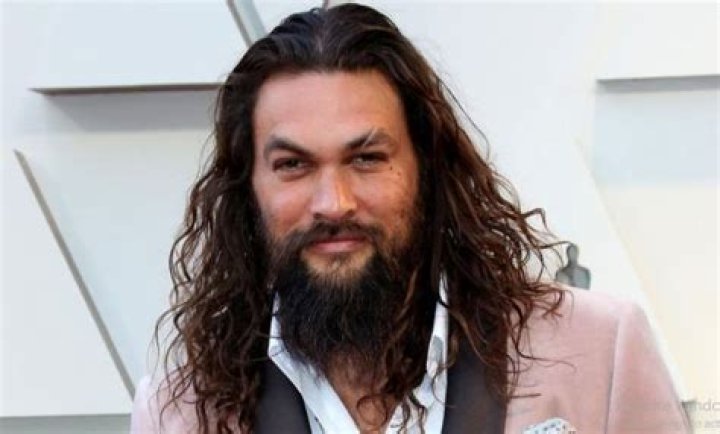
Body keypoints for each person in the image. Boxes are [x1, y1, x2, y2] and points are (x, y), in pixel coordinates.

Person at [131, 4, 689, 433]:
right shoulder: (177, 413)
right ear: (247, 188)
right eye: (293, 165)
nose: (333, 202)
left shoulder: (601, 350)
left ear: (427, 167)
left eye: (367, 158)